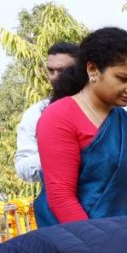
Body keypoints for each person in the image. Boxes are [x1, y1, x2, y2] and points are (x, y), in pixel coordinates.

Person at [34, 28, 127, 227]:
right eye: (123, 78)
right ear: (92, 70)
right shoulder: (60, 117)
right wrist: (98, 248)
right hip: (77, 243)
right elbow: (61, 197)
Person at [14, 42, 79, 183]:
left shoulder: (100, 107)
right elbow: (22, 167)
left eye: (62, 71)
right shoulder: (36, 113)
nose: (55, 77)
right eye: (51, 71)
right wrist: (58, 155)